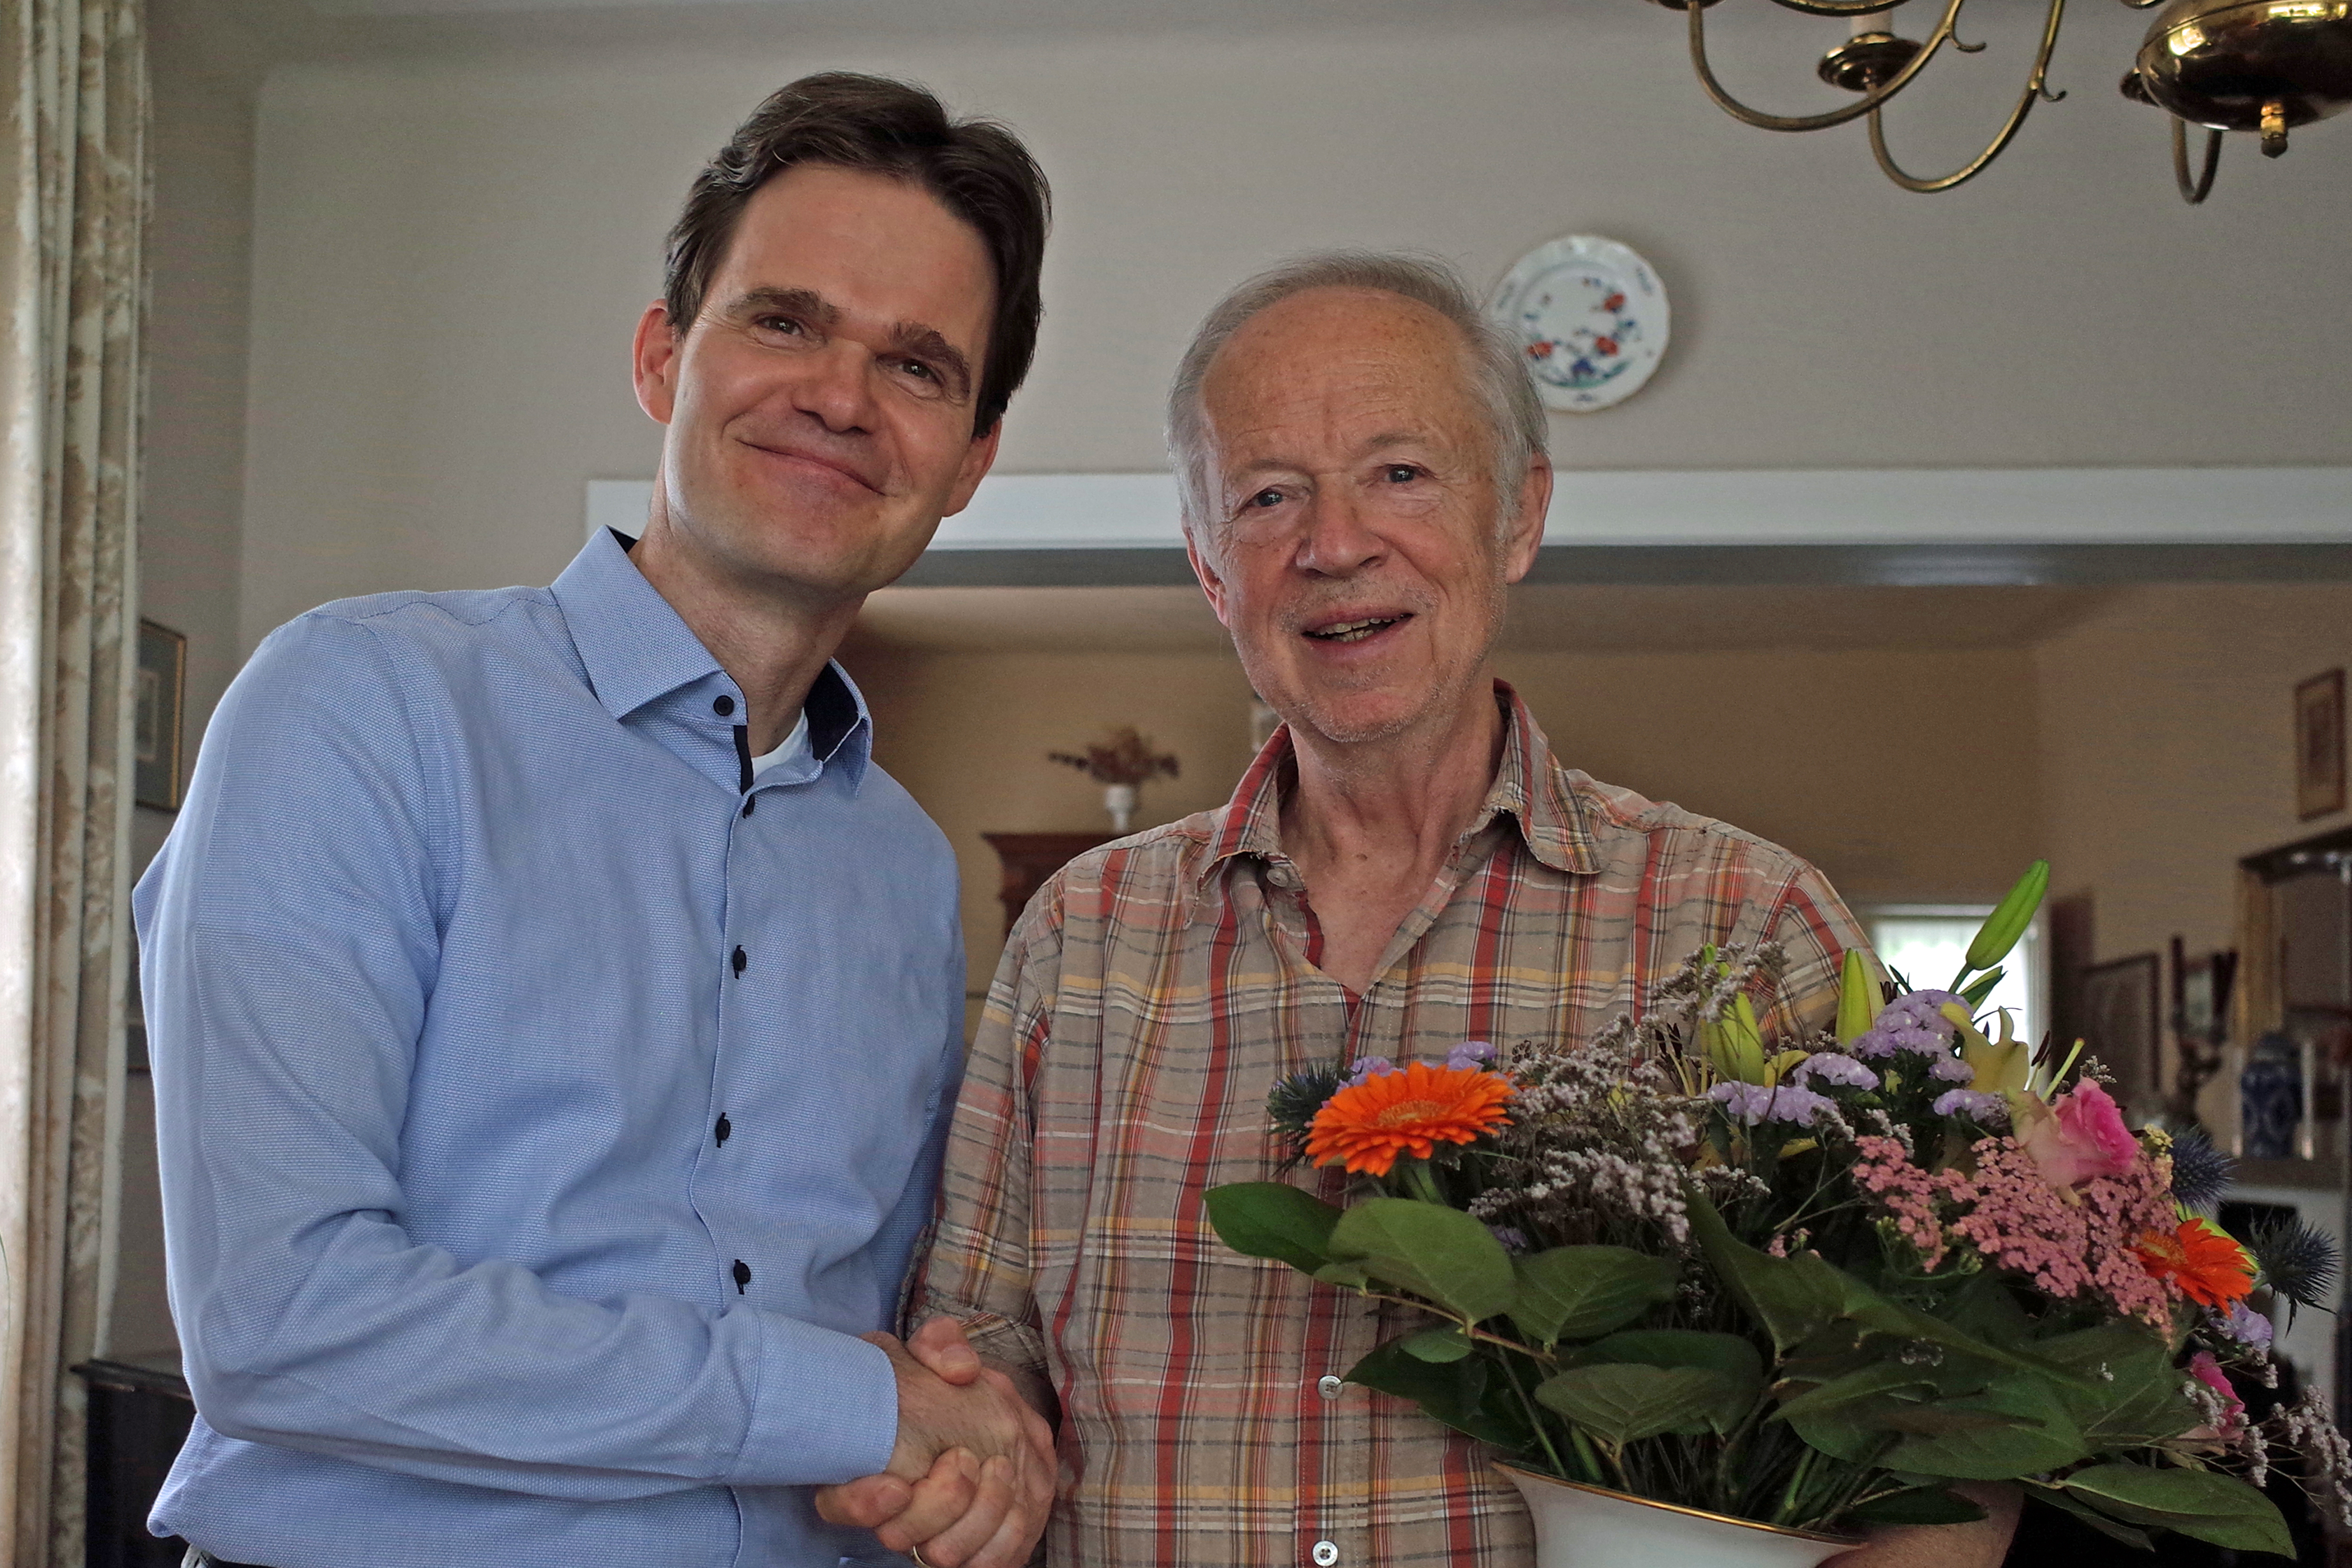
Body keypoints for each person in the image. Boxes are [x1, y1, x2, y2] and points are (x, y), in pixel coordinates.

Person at [874, 250, 1960, 1566]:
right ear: (1214, 569)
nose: (1334, 545)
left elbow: (1939, 1429)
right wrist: (954, 1445)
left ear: (1518, 516)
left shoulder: (1749, 929)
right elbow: (976, 1367)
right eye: (1268, 495)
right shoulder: (1079, 940)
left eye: (1400, 473)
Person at [135, 73, 1053, 1568]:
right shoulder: (362, 706)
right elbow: (279, 1320)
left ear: (969, 462)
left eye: (918, 365)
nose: (840, 394)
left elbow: (879, 1343)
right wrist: (842, 1402)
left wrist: (955, 1459)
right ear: (660, 354)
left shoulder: (904, 869)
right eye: (785, 319)